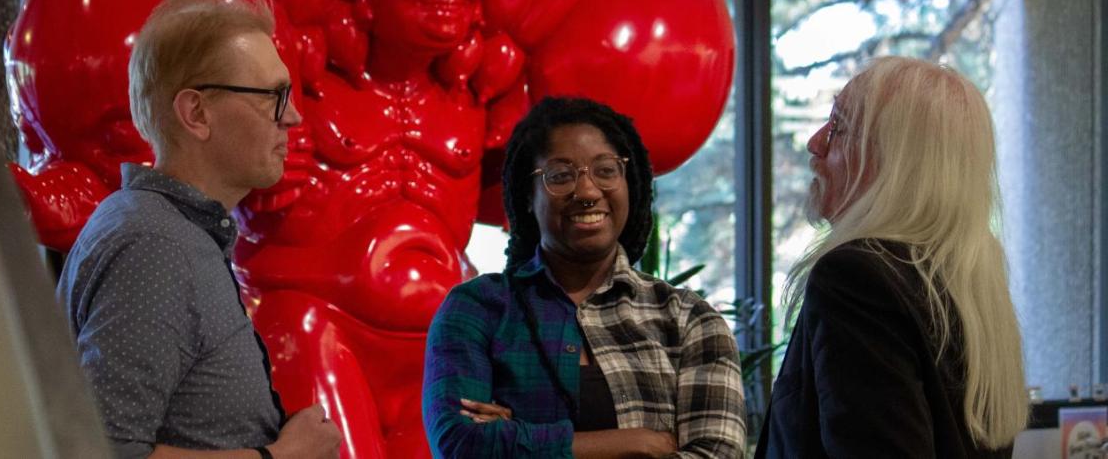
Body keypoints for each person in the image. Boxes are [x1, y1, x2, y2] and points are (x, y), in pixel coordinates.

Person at [56, 0, 340, 459]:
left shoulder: (167, 230)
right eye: (273, 96)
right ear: (196, 114)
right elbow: (96, 450)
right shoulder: (153, 245)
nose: (293, 116)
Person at [422, 97, 746, 458]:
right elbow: (461, 444)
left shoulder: (689, 321)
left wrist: (517, 439)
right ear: (527, 195)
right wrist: (634, 443)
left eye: (606, 170)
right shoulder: (477, 310)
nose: (588, 192)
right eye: (560, 176)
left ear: (630, 182)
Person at [755, 56, 1029, 458]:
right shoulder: (970, 282)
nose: (815, 142)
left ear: (896, 162)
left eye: (838, 126)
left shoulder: (855, 277)